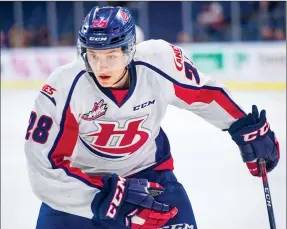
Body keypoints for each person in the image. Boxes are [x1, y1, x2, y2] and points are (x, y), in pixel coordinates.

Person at [24, 6, 280, 229]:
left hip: (149, 178)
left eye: (111, 56)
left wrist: (242, 124)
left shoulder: (159, 62)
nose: (100, 67)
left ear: (130, 50)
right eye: (93, 55)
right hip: (81, 187)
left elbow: (203, 94)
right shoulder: (63, 87)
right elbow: (43, 169)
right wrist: (101, 198)